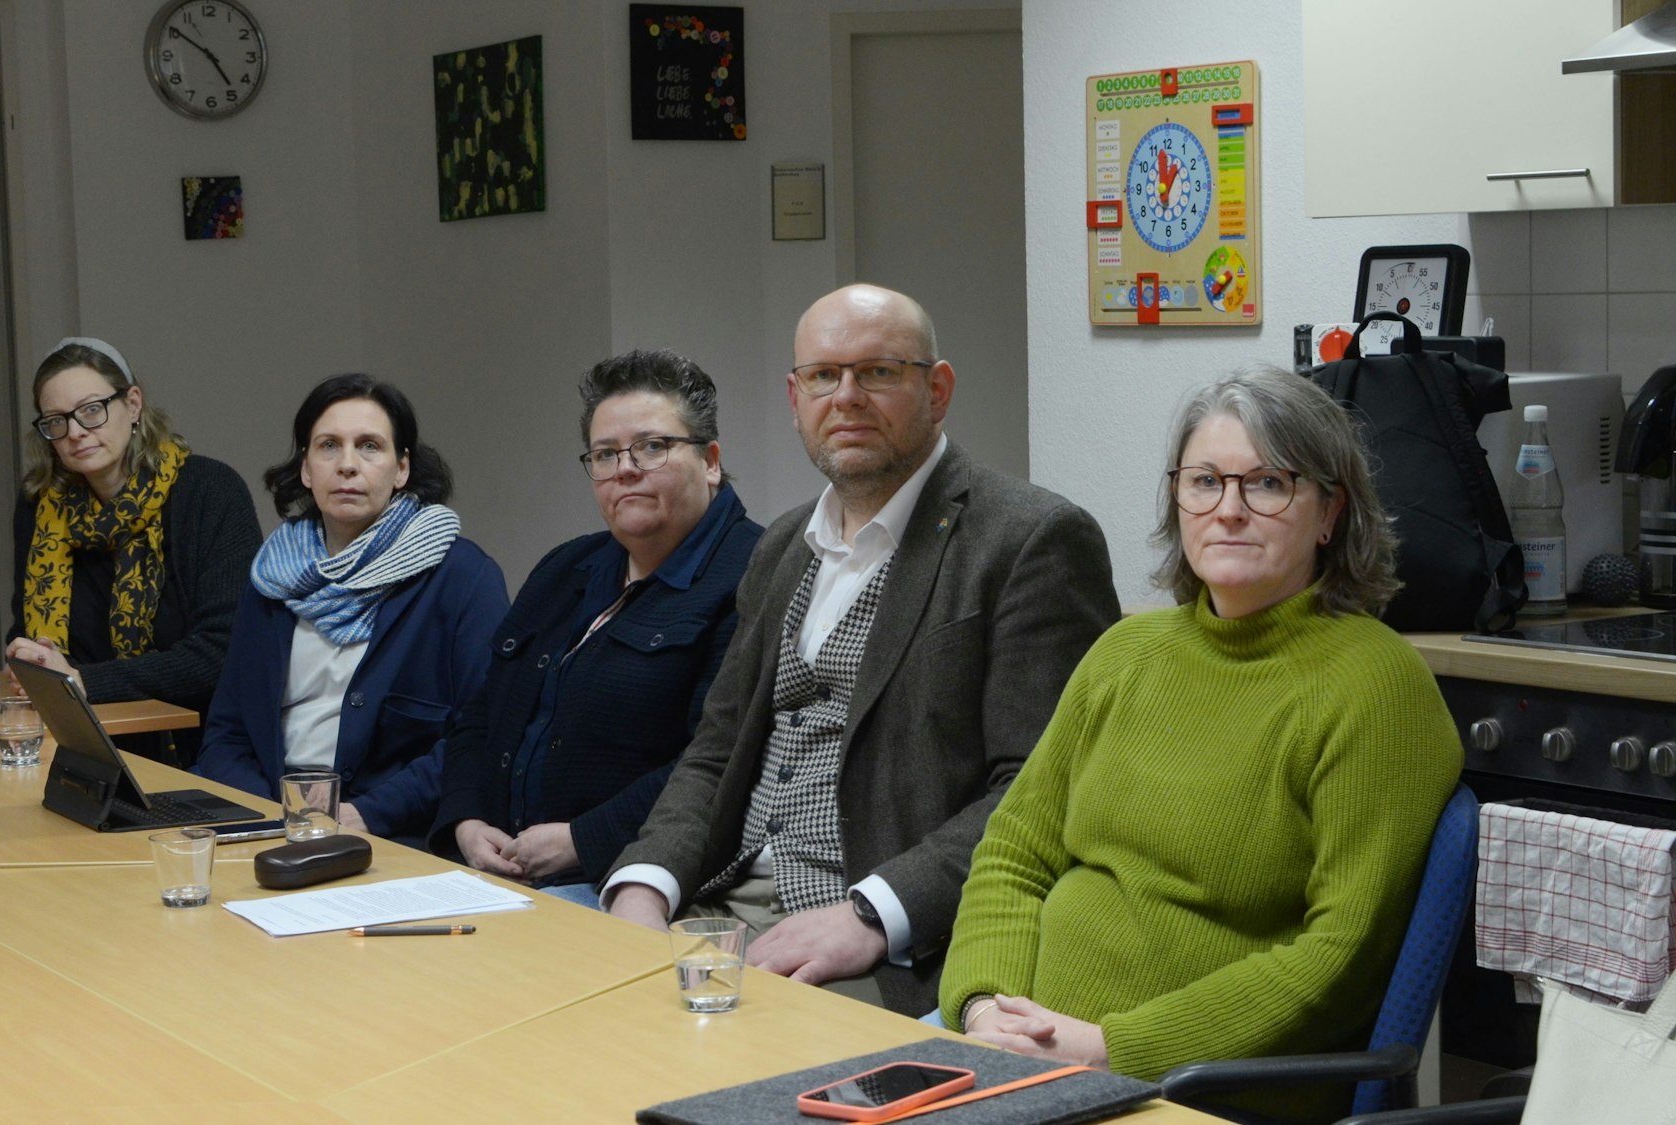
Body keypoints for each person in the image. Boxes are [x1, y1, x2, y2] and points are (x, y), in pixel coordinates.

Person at [938, 367, 1463, 1125]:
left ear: (1329, 513)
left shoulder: (1376, 685)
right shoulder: (1126, 652)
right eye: (1205, 481)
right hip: (1019, 1060)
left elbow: (1342, 956)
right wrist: (987, 1008)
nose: (1230, 510)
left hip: (1195, 1091)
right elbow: (1014, 853)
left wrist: (1111, 1047)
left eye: (1268, 483)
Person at [604, 284, 1121, 1015]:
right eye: (822, 376)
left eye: (877, 372)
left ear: (936, 389)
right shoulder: (783, 545)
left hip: (888, 946)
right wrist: (644, 885)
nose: (845, 397)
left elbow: (1038, 788)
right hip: (718, 910)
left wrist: (872, 913)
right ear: (794, 397)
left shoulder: (1030, 539)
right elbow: (717, 747)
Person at [428, 350, 763, 904]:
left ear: (710, 461)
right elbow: (481, 714)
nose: (625, 468)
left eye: (652, 447)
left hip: (629, 879)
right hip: (490, 867)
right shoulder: (566, 568)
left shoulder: (754, 573)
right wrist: (465, 818)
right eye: (605, 454)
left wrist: (582, 841)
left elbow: (719, 760)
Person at [192, 374, 508, 847]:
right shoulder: (272, 576)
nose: (347, 465)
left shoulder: (462, 577)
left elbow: (481, 736)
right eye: (328, 447)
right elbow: (227, 731)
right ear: (305, 469)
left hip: (392, 830)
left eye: (369, 447)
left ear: (401, 469)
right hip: (265, 820)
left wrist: (365, 813)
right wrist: (267, 818)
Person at [6, 337, 260, 765]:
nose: (76, 432)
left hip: (204, 750)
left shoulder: (209, 491)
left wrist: (84, 681)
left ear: (133, 404)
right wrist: (31, 660)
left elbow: (225, 651)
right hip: (81, 746)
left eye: (91, 410)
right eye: (56, 420)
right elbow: (28, 629)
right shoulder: (40, 506)